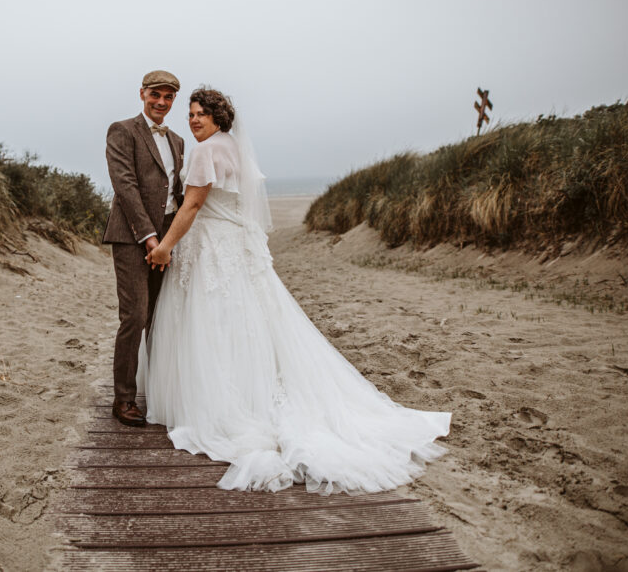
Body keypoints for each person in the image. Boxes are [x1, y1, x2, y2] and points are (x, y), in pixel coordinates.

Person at [140, 87, 451, 494]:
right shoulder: (233, 147)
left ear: (219, 117)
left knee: (211, 320)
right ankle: (251, 390)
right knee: (247, 320)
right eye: (192, 114)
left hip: (213, 247)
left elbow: (193, 205)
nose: (194, 120)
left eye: (202, 114)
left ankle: (224, 404)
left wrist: (165, 246)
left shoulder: (204, 152)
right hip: (238, 246)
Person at [102, 70, 185, 427]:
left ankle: (157, 389)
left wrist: (174, 238)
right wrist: (150, 237)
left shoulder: (179, 141)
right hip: (131, 236)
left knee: (158, 316)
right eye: (156, 95)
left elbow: (177, 192)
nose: (161, 102)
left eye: (168, 97)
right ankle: (123, 399)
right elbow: (125, 186)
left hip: (167, 238)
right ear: (142, 94)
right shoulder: (122, 130)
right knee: (134, 317)